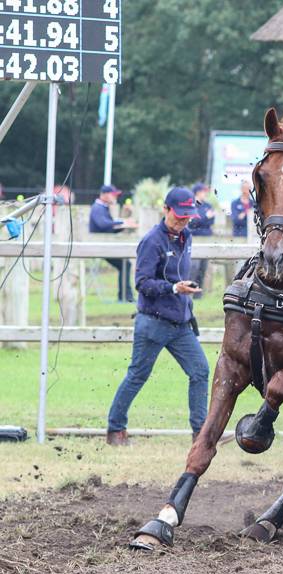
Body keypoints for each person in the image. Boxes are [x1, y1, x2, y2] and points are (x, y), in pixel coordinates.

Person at [105, 187, 209, 446]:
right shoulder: (152, 241)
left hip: (181, 323)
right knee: (137, 375)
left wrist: (182, 291)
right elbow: (142, 283)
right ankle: (115, 430)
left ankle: (201, 433)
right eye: (179, 215)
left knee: (201, 371)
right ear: (165, 210)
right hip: (153, 323)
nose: (183, 220)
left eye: (187, 216)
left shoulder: (186, 237)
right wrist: (174, 288)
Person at [89, 184, 138, 301]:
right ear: (105, 195)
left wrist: (124, 225)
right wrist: (123, 222)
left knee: (125, 264)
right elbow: (103, 224)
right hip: (99, 247)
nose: (115, 197)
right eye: (113, 195)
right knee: (125, 264)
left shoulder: (102, 207)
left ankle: (125, 296)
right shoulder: (97, 208)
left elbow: (108, 228)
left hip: (103, 245)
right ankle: (125, 296)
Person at [188, 183, 215, 297]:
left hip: (206, 238)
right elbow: (192, 223)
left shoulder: (208, 205)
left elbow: (211, 221)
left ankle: (198, 294)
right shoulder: (191, 206)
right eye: (204, 191)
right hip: (195, 239)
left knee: (203, 267)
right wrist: (205, 218)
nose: (206, 193)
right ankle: (190, 290)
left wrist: (201, 219)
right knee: (194, 266)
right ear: (198, 192)